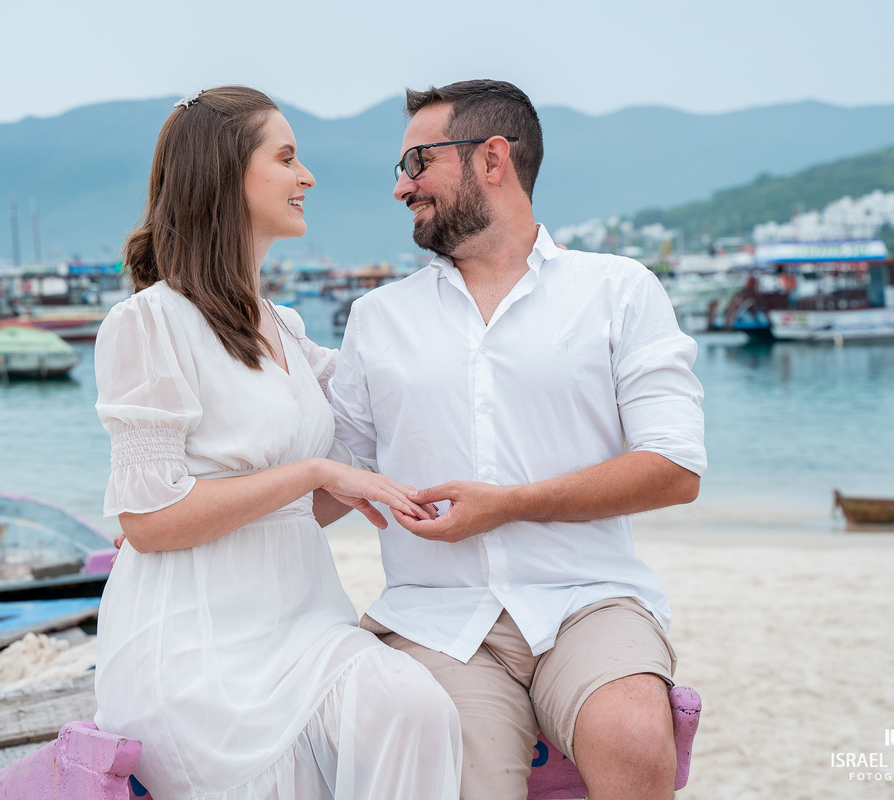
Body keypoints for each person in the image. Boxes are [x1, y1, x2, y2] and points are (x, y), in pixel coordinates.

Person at [327, 79, 707, 800]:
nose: (401, 188)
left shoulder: (620, 289)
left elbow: (674, 467)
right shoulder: (377, 318)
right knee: (461, 777)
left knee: (634, 738)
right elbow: (335, 481)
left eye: (416, 164)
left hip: (590, 601)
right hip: (434, 617)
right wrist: (199, 514)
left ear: (492, 158)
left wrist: (510, 505)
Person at [92, 86, 461, 800]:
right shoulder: (149, 324)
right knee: (283, 782)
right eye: (287, 157)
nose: (307, 176)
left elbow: (386, 402)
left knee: (416, 713)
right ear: (226, 176)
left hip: (306, 626)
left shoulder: (285, 327)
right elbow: (149, 522)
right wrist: (315, 473)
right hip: (194, 645)